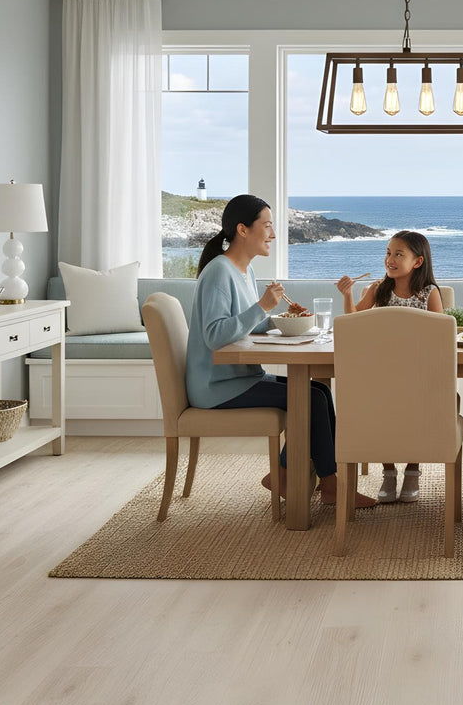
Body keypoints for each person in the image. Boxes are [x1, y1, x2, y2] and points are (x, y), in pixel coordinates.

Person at [186, 194, 376, 510]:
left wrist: (281, 317)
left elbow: (243, 325)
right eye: (268, 226)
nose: (273, 235)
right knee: (312, 398)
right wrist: (263, 306)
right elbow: (215, 336)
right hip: (217, 387)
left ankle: (286, 476)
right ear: (243, 230)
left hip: (242, 378)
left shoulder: (243, 271)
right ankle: (331, 486)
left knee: (319, 391)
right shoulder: (220, 272)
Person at [336, 230, 445, 503]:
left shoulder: (429, 293)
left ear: (417, 262)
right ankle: (388, 471)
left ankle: (412, 469)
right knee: (379, 405)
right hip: (382, 372)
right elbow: (352, 323)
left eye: (399, 254)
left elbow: (440, 338)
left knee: (416, 406)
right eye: (388, 253)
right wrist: (347, 295)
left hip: (418, 372)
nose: (390, 259)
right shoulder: (378, 289)